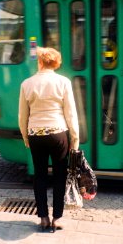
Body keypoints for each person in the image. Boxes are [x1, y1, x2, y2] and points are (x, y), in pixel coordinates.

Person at [18, 46, 79, 232]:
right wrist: (75, 139)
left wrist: (25, 137)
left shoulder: (26, 84)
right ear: (55, 63)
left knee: (40, 175)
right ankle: (57, 218)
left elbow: (22, 116)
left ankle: (43, 218)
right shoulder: (63, 82)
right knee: (60, 175)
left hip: (36, 134)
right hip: (58, 134)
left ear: (40, 62)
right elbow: (70, 113)